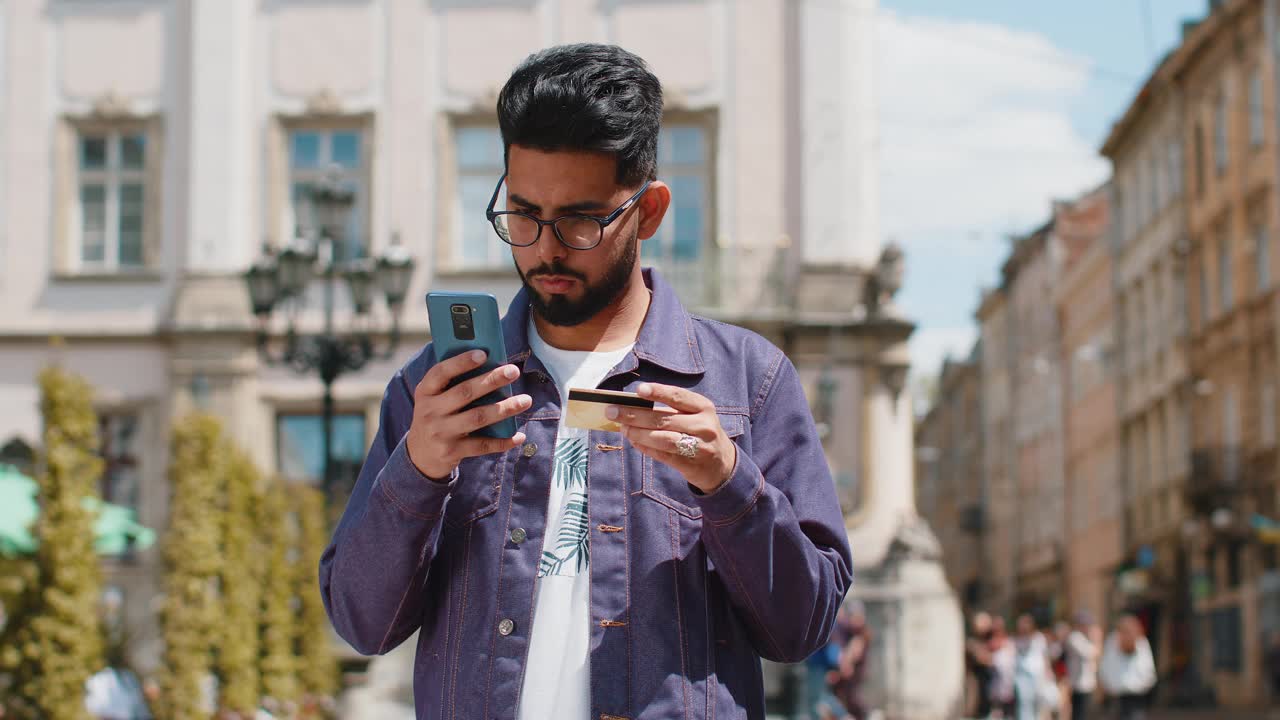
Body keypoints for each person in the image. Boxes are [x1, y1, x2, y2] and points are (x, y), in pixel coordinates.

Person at [319, 43, 853, 719]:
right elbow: (362, 622)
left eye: (580, 219)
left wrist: (728, 481)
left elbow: (800, 628)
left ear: (649, 211)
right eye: (522, 214)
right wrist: (418, 470)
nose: (544, 247)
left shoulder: (747, 379)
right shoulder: (438, 387)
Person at [1099, 615, 1156, 720]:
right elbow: (1105, 669)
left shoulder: (1141, 644)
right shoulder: (1112, 643)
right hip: (1116, 698)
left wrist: (1140, 686)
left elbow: (1148, 672)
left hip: (1136, 697)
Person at [826, 602, 872, 720]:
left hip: (853, 672)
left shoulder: (860, 634)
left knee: (852, 699)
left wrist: (841, 671)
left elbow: (853, 654)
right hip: (849, 673)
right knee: (845, 698)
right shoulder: (848, 631)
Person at [1011, 614, 1049, 720]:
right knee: (1025, 704)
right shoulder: (1016, 639)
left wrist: (1047, 672)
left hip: (1037, 675)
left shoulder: (1039, 638)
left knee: (1038, 703)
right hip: (1022, 675)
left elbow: (1045, 656)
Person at [1065, 611, 1101, 720]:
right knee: (1079, 715)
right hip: (1078, 685)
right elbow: (1092, 653)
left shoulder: (1083, 638)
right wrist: (1097, 639)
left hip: (1086, 684)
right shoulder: (1074, 637)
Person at [966, 611, 996, 718]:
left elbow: (989, 659)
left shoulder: (992, 640)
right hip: (976, 683)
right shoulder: (972, 641)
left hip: (989, 685)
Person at [990, 616, 1017, 718]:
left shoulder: (1009, 642)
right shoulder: (991, 642)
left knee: (1008, 712)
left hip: (1007, 683)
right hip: (994, 684)